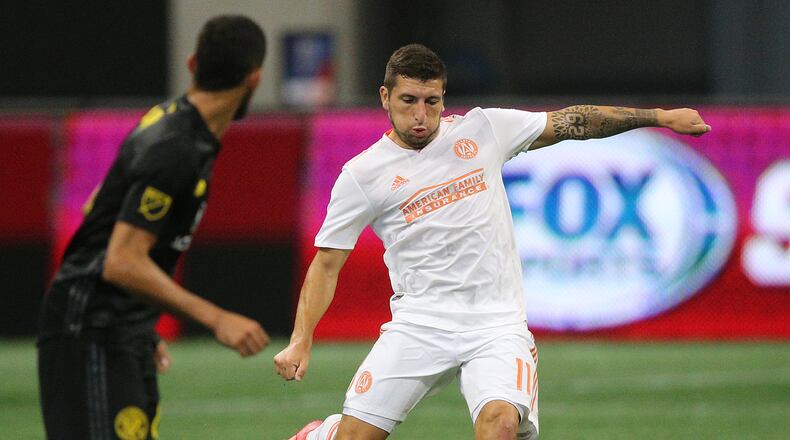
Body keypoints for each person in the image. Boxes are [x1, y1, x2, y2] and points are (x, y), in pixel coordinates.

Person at [275, 43, 711, 440]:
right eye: (409, 101)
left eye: (432, 101)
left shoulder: (483, 129)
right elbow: (327, 264)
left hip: (496, 325)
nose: (421, 115)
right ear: (385, 97)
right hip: (419, 324)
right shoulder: (362, 175)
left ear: (443, 98)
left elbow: (570, 122)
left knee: (500, 424)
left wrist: (658, 117)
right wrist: (301, 339)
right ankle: (323, 435)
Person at [37, 15, 270, 440]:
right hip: (90, 327)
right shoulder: (176, 147)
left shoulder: (178, 127)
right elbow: (122, 261)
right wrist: (217, 318)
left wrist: (139, 321)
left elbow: (99, 210)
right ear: (254, 78)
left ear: (192, 63)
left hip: (119, 325)